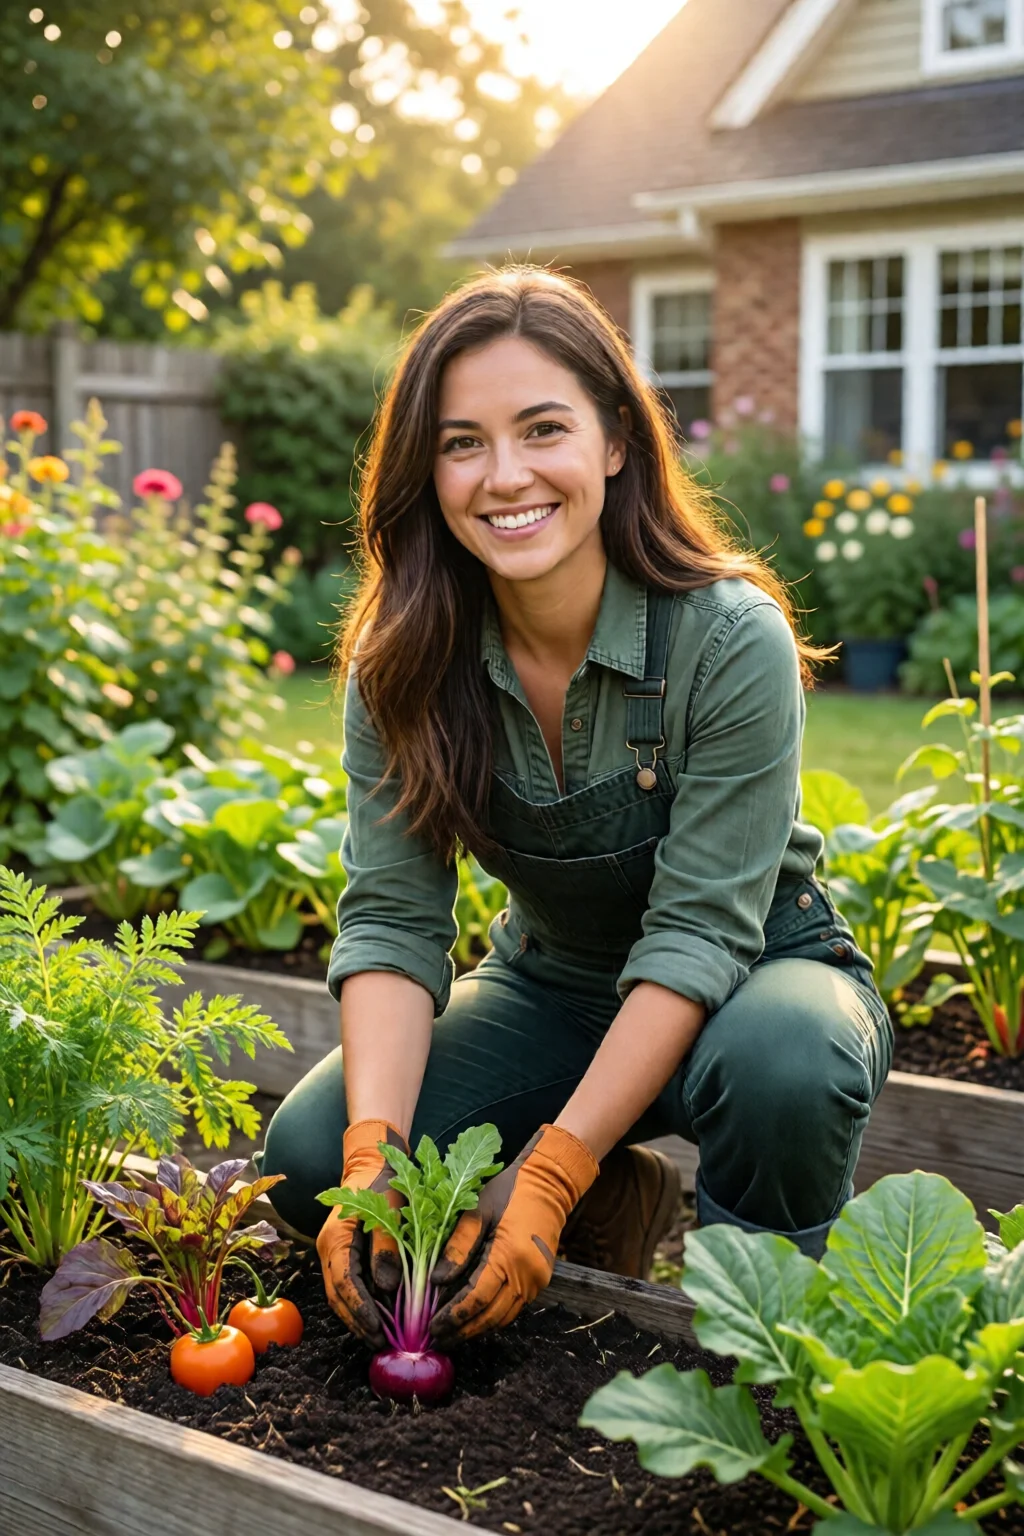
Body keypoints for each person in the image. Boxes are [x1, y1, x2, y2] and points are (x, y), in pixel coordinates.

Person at [260, 266, 892, 1352]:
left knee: (788, 1060)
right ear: (427, 467)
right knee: (314, 1149)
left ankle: (764, 1349)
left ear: (613, 441)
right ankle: (614, 1196)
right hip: (553, 987)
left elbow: (697, 936)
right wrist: (373, 1161)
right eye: (461, 442)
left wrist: (544, 1175)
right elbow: (392, 923)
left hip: (753, 979)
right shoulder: (405, 661)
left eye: (541, 429)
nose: (503, 476)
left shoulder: (728, 638)